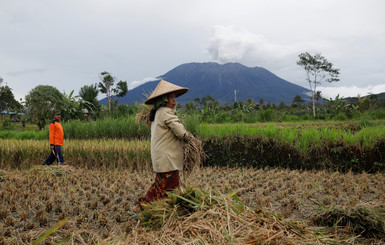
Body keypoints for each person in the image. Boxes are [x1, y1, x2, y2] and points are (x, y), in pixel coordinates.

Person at [133, 80, 189, 213]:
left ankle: (161, 209)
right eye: (171, 97)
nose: (174, 100)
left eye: (175, 97)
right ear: (164, 99)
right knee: (169, 184)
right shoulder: (166, 112)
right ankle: (143, 207)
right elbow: (181, 132)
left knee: (162, 183)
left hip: (161, 156)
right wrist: (189, 137)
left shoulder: (158, 112)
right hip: (167, 157)